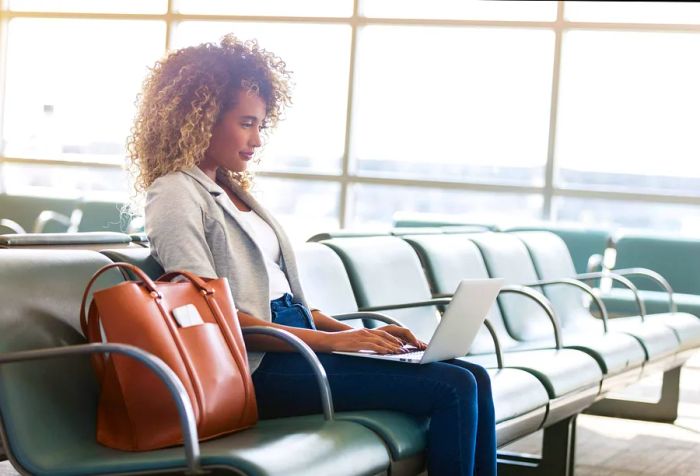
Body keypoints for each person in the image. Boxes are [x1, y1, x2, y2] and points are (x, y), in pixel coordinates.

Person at [128, 33, 496, 476]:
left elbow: (285, 302)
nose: (257, 140)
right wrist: (336, 342)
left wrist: (362, 338)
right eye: (246, 123)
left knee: (472, 375)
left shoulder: (228, 189)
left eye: (260, 125)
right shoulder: (174, 193)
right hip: (257, 367)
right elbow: (209, 315)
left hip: (295, 345)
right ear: (201, 118)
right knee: (453, 386)